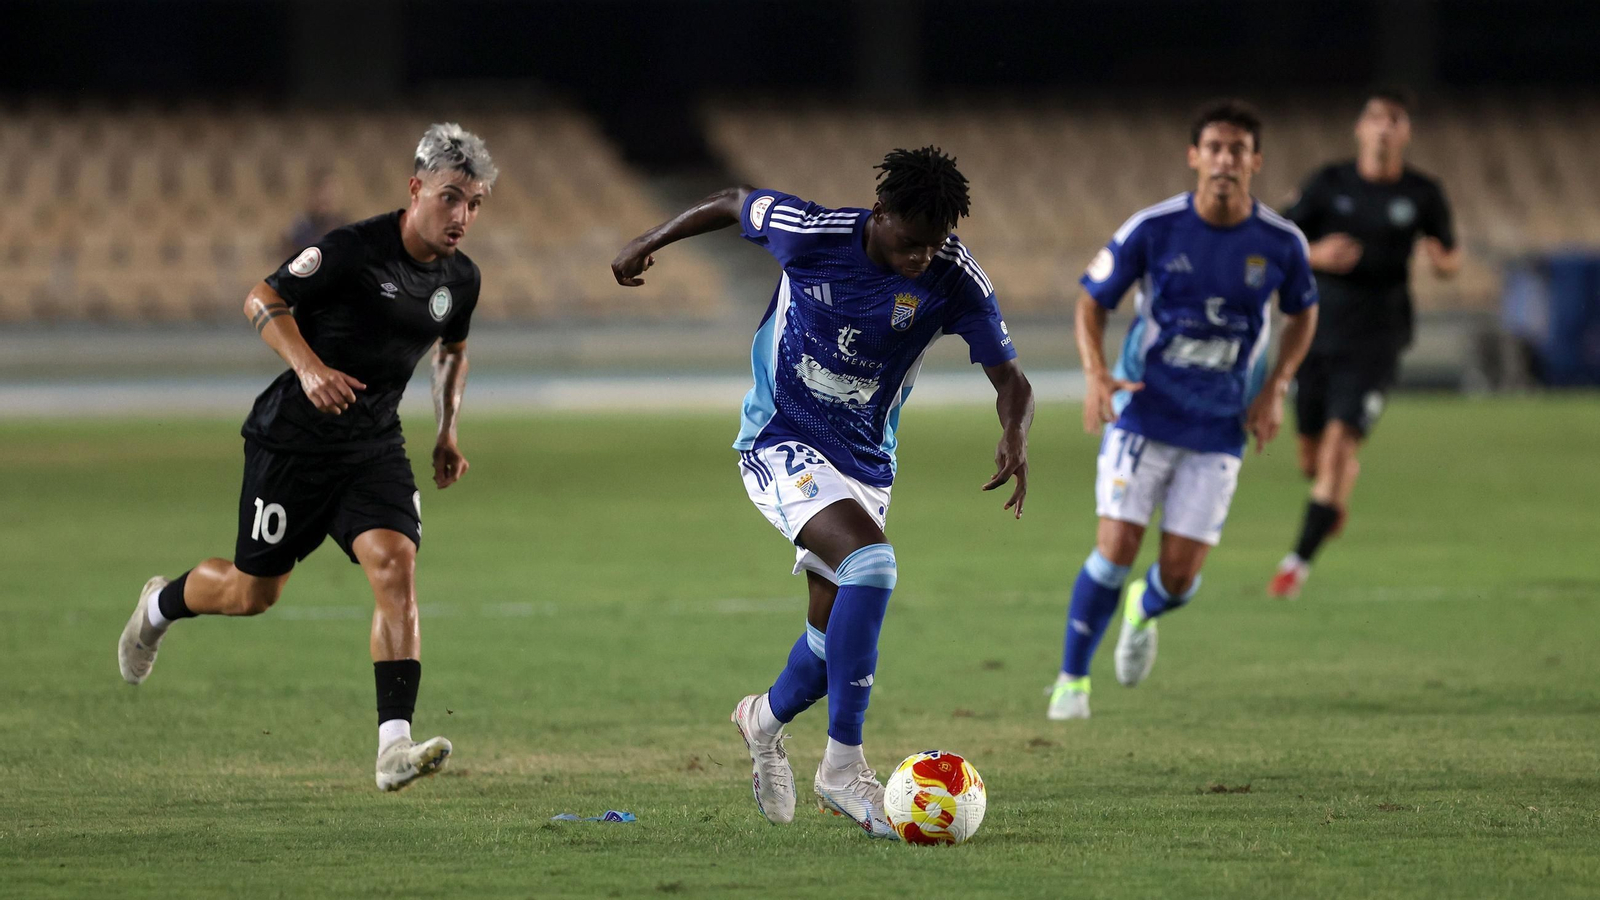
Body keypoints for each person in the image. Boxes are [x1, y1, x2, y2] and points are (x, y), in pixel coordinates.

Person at [612, 147, 1033, 838]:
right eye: (909, 242)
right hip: (779, 438)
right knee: (872, 564)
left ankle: (762, 721)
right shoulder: (812, 233)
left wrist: (1014, 433)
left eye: (935, 244)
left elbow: (1011, 380)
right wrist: (647, 240)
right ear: (880, 215)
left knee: (827, 633)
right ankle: (843, 769)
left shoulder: (954, 275)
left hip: (866, 464)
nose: (921, 258)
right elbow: (732, 198)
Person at [117, 123, 493, 792]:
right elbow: (262, 298)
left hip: (372, 445)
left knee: (395, 566)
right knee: (250, 592)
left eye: (475, 203)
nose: (462, 216)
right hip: (292, 442)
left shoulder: (461, 280)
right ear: (415, 189)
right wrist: (311, 368)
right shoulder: (352, 249)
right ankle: (158, 606)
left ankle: (393, 747)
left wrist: (447, 430)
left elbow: (453, 353)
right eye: (450, 198)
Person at [1048, 101, 1319, 721]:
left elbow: (1305, 312)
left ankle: (1146, 609)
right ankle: (1071, 681)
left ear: (1255, 161)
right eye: (1215, 148)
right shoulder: (1153, 228)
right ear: (1195, 156)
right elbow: (1093, 300)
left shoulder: (1280, 242)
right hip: (1144, 412)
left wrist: (1277, 384)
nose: (1226, 159)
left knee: (1178, 576)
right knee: (1115, 548)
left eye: (1238, 149)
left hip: (1221, 425)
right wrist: (1096, 374)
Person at [1269, 88, 1459, 598]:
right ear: (1359, 128)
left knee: (1337, 447)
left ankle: (1295, 566)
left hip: (1379, 337)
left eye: (1394, 120)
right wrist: (1317, 255)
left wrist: (1444, 263)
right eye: (1374, 118)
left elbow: (1450, 253)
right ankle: (1331, 498)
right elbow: (1278, 243)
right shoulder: (1328, 185)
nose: (1383, 128)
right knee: (1310, 457)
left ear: (1405, 132)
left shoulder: (1422, 193)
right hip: (1315, 331)